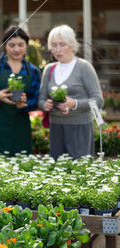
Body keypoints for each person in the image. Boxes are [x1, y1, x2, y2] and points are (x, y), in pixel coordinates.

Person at [38, 25, 104, 160]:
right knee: (58, 171)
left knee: (80, 170)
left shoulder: (84, 67)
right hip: (56, 127)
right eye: (54, 45)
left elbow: (98, 101)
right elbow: (41, 99)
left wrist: (74, 103)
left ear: (73, 45)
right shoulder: (49, 69)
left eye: (62, 44)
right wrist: (45, 105)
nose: (57, 50)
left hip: (79, 127)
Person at [0, 26, 41, 156]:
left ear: (26, 45)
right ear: (5, 46)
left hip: (21, 127)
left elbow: (35, 100)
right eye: (11, 45)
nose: (16, 49)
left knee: (22, 167)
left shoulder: (33, 71)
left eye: (20, 45)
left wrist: (25, 104)